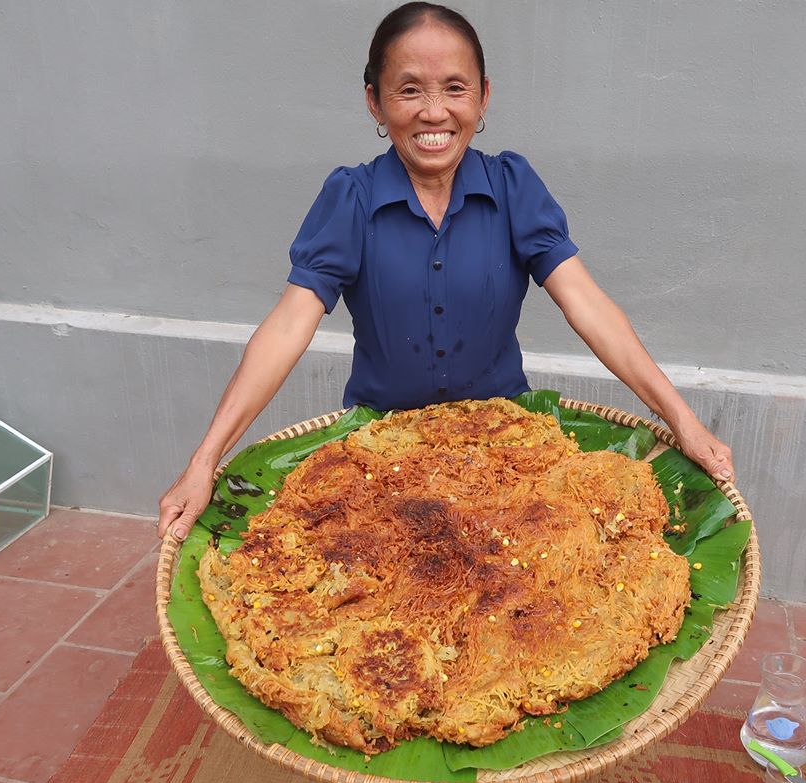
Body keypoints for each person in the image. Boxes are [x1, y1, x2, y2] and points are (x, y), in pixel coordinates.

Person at [156, 1, 734, 541]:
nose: (435, 112)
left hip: (509, 453)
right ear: (375, 102)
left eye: (455, 88)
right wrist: (204, 461)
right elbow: (286, 328)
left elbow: (587, 304)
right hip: (381, 459)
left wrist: (680, 418)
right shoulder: (350, 199)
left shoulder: (513, 188)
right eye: (408, 90)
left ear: (483, 98)